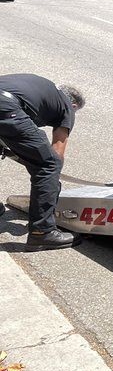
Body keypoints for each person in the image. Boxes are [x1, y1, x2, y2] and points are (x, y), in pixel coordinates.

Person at [0, 74, 85, 249]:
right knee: (49, 164)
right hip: (6, 106)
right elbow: (57, 153)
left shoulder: (41, 88)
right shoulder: (67, 105)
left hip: (5, 102)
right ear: (74, 105)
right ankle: (43, 232)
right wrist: (51, 183)